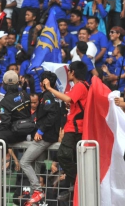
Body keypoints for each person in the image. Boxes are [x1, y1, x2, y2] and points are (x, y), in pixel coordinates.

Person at [43, 61, 89, 201]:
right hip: (75, 127)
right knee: (73, 158)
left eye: (69, 71)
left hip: (75, 129)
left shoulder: (80, 85)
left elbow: (68, 98)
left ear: (73, 72)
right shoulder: (83, 85)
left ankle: (77, 182)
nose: (68, 73)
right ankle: (74, 185)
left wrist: (50, 88)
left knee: (63, 155)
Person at [19, 71, 61, 205]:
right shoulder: (45, 95)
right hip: (44, 136)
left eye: (41, 80)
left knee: (24, 162)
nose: (39, 82)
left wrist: (41, 131)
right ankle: (34, 199)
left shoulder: (48, 95)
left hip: (45, 137)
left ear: (45, 82)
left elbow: (52, 115)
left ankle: (37, 191)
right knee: (36, 167)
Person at [0, 71, 31, 145]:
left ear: (3, 84)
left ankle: (6, 155)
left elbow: (5, 123)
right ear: (17, 82)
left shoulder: (5, 101)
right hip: (29, 129)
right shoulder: (25, 94)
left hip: (18, 133)